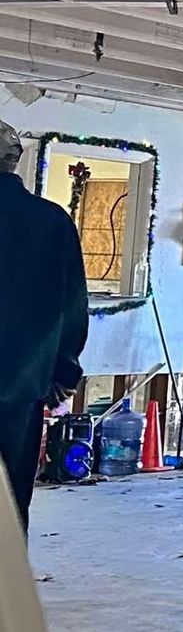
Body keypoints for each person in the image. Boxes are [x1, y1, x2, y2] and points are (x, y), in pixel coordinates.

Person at [0, 120, 86, 532]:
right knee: (12, 507)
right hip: (24, 387)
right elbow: (72, 307)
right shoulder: (52, 222)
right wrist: (61, 376)